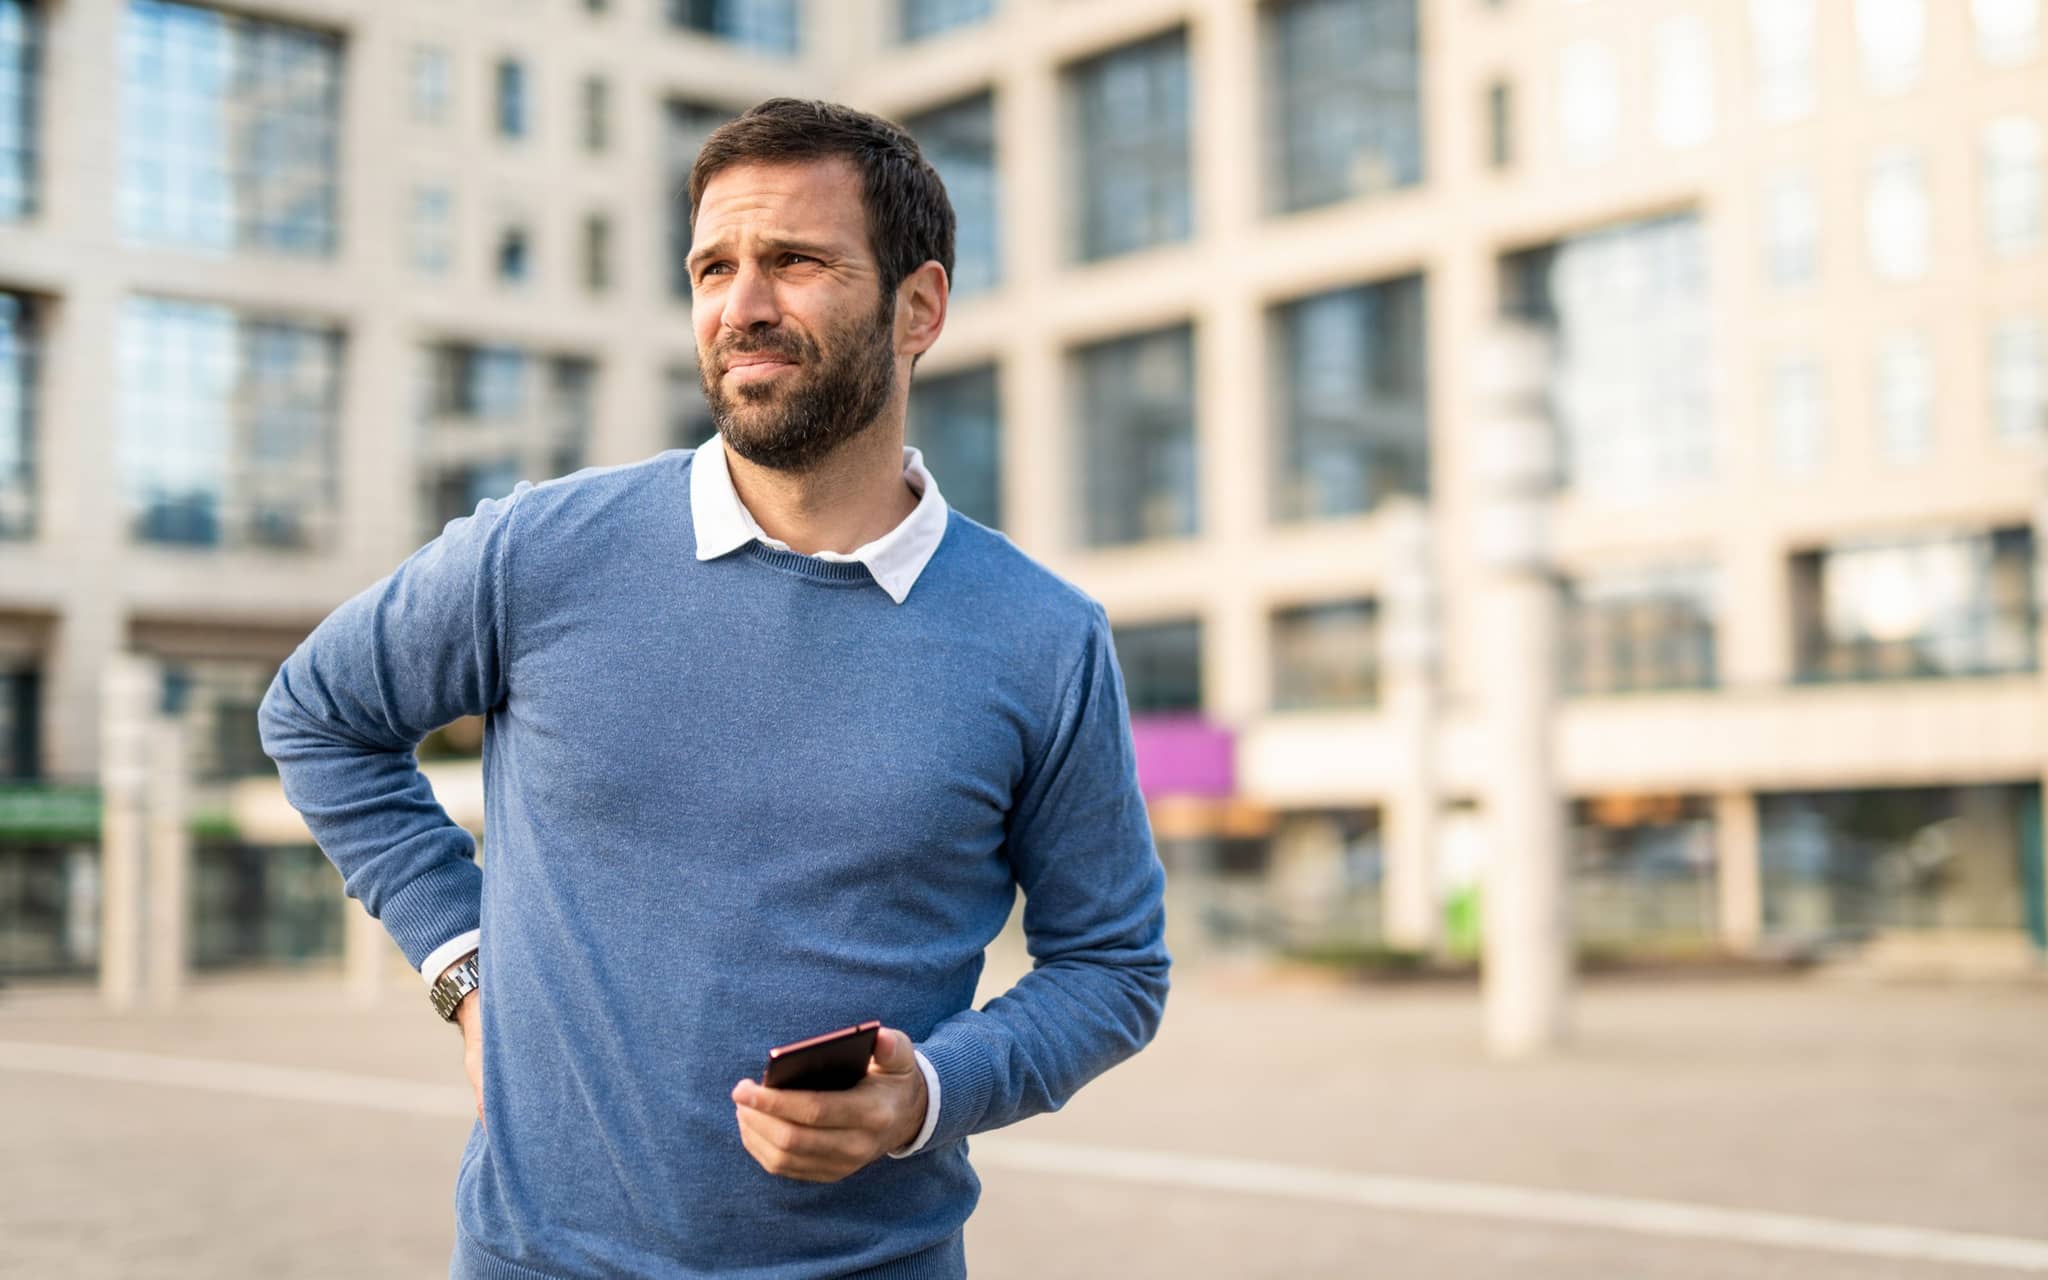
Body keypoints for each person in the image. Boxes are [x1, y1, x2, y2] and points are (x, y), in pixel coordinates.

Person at [258, 97, 1171, 1280]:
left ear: (919, 306)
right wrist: (461, 965)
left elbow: (1112, 964)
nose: (741, 306)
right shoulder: (539, 550)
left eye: (794, 261)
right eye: (713, 266)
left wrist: (928, 1094)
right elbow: (315, 714)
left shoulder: (1041, 635)